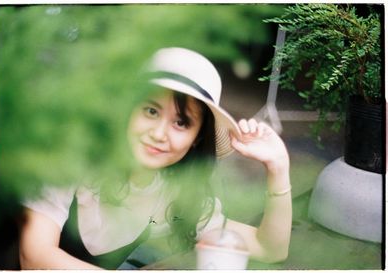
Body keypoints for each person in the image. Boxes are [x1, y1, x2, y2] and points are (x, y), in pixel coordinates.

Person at [19, 47, 292, 269]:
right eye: (151, 111)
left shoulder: (175, 193)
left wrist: (278, 166)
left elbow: (270, 249)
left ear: (197, 137)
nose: (160, 133)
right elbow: (34, 256)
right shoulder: (71, 160)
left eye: (181, 122)